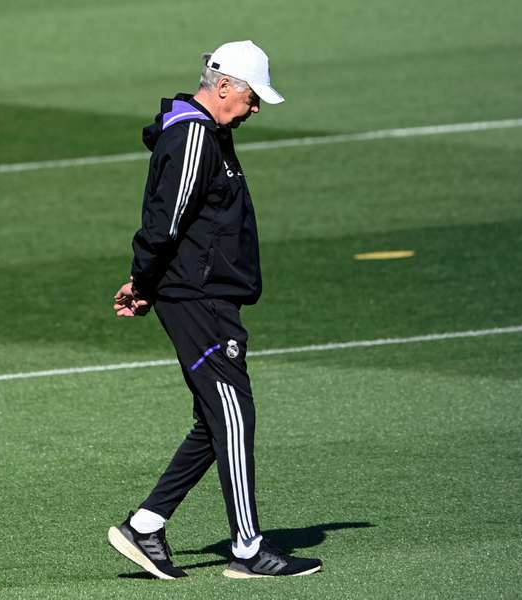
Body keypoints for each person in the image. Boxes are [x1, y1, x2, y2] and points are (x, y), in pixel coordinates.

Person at [107, 40, 321, 580]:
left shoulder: (208, 132)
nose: (253, 110)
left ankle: (147, 526)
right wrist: (143, 280)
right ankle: (248, 550)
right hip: (196, 298)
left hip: (202, 293)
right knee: (234, 412)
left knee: (214, 419)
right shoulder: (194, 137)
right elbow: (166, 219)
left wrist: (148, 281)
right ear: (222, 86)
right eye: (251, 98)